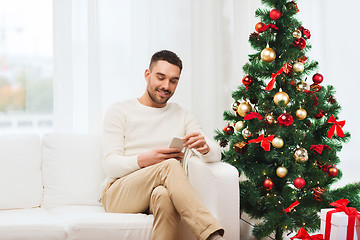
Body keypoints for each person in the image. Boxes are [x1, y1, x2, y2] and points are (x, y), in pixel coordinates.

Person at [101, 50, 225, 240]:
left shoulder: (181, 114)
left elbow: (216, 154)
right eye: (161, 78)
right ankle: (211, 235)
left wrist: (206, 147)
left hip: (155, 193)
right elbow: (110, 164)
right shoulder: (120, 111)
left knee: (164, 195)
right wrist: (144, 160)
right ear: (147, 75)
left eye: (173, 81)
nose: (166, 86)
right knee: (170, 165)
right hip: (118, 194)